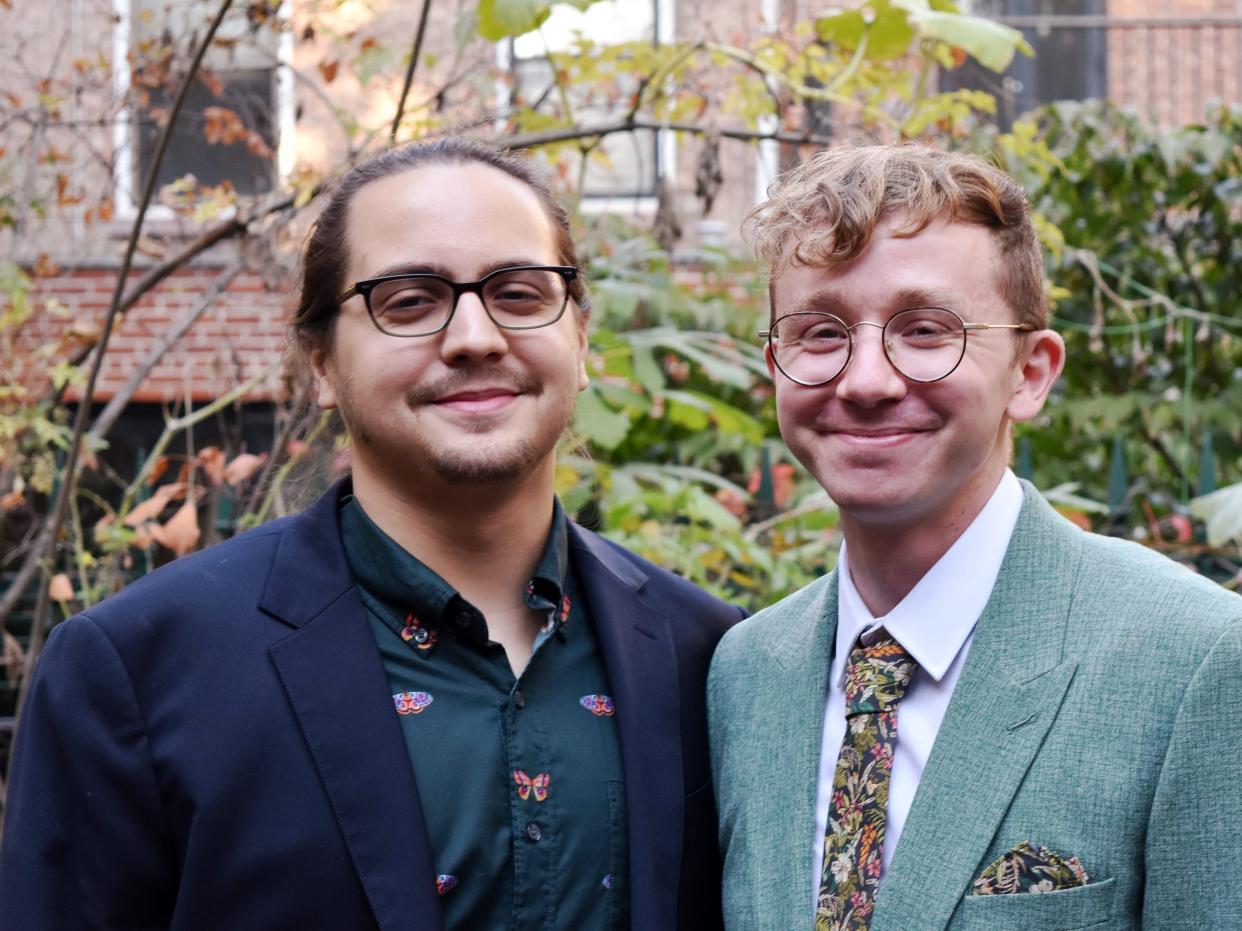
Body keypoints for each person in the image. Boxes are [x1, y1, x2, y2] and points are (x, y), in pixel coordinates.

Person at [0, 138, 742, 930]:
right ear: (321, 362)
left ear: (582, 342)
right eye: (410, 300)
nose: (475, 336)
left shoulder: (706, 653)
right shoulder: (139, 673)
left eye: (520, 294)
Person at [708, 144, 1242, 930]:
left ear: (1030, 371)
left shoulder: (1196, 659)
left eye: (926, 330)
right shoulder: (746, 672)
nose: (865, 380)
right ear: (776, 364)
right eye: (819, 333)